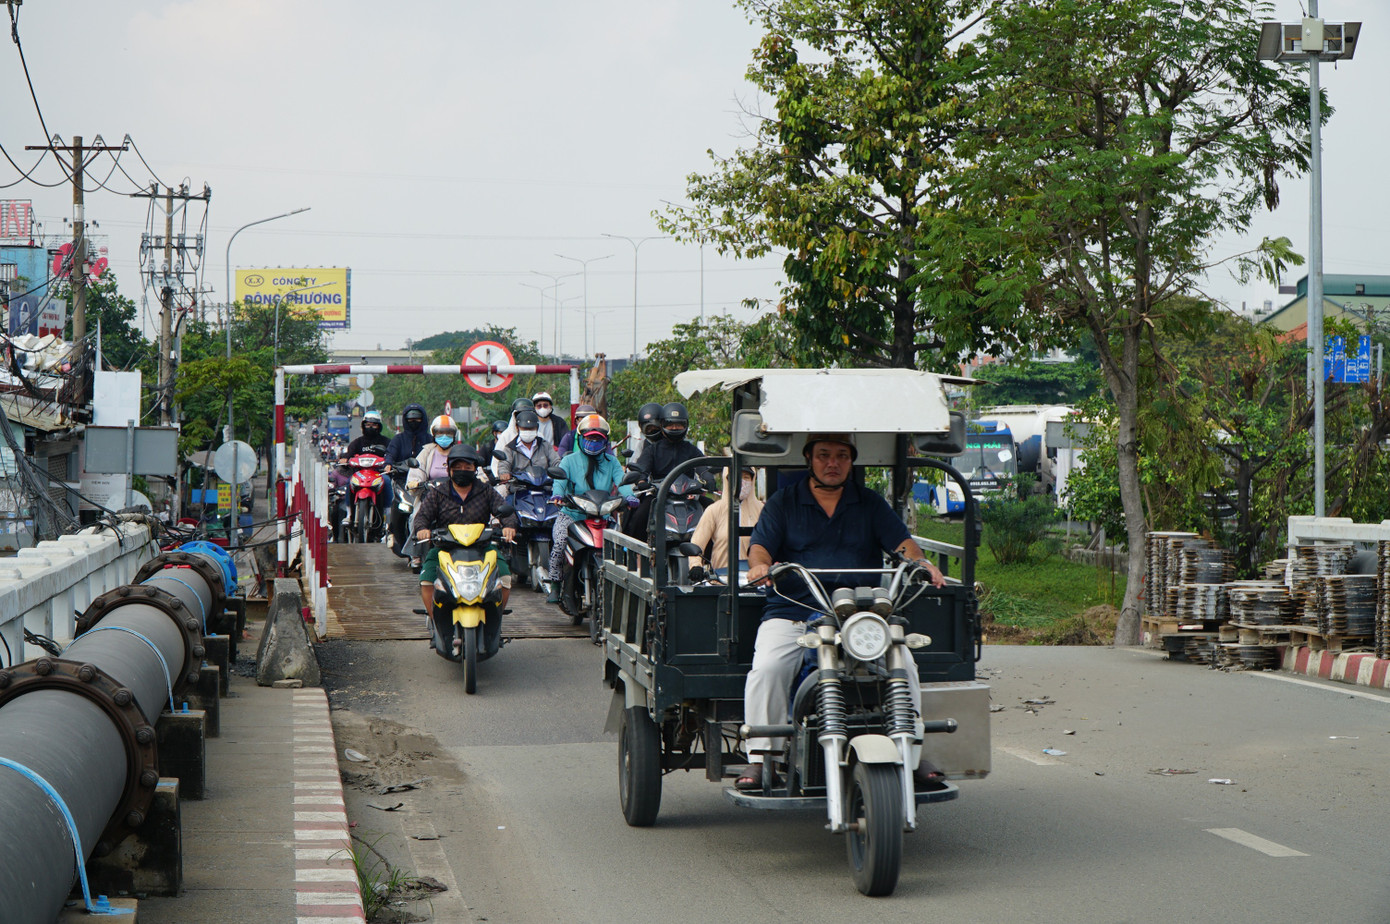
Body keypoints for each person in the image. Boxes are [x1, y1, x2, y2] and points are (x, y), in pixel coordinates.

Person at [738, 432, 945, 791]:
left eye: (841, 456)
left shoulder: (869, 503)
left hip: (858, 615)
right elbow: (760, 547)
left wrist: (920, 562)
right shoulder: (783, 502)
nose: (832, 463)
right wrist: (760, 566)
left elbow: (903, 544)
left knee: (905, 666)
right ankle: (761, 757)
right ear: (808, 459)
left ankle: (910, 749)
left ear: (851, 461)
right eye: (823, 455)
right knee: (768, 668)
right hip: (793, 611)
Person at [414, 444, 520, 650]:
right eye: (458, 467)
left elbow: (506, 512)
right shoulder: (438, 493)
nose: (462, 470)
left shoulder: (485, 491)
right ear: (449, 469)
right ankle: (436, 624)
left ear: (474, 469)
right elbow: (422, 517)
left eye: (467, 467)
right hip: (445, 548)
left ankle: (495, 622)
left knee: (505, 579)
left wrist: (509, 527)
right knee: (426, 581)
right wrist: (422, 529)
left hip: (482, 547)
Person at [546, 414, 636, 604]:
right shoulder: (569, 461)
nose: (593, 443)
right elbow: (560, 481)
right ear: (580, 438)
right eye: (589, 438)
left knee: (621, 547)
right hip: (573, 514)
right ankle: (555, 584)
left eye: (598, 439)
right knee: (560, 543)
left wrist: (629, 496)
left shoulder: (612, 462)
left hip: (603, 516)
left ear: (605, 441)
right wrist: (557, 495)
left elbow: (622, 482)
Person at [626, 402, 707, 542]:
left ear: (686, 425)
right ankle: (637, 554)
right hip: (659, 496)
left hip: (688, 497)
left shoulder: (691, 449)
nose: (674, 427)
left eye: (679, 424)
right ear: (662, 425)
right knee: (639, 516)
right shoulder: (652, 450)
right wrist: (641, 480)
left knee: (714, 509)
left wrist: (709, 478)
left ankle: (711, 553)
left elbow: (703, 466)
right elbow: (642, 467)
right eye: (670, 424)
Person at [687, 464, 763, 580]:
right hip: (722, 579)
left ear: (753, 480)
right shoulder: (714, 510)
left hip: (756, 580)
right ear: (727, 480)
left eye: (746, 477)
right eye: (736, 477)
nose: (741, 482)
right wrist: (696, 565)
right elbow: (697, 543)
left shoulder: (763, 511)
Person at [404, 416, 461, 567]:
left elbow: (475, 470)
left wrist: (480, 479)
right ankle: (416, 554)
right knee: (416, 517)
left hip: (458, 497)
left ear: (454, 434)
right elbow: (416, 472)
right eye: (440, 432)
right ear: (434, 434)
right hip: (431, 497)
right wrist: (415, 482)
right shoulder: (427, 452)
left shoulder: (460, 452)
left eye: (448, 433)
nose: (444, 436)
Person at [342, 409, 393, 523]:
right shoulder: (357, 442)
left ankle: (387, 512)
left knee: (386, 481)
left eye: (374, 425)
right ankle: (349, 513)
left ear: (379, 426)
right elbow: (349, 454)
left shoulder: (386, 442)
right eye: (368, 424)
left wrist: (389, 464)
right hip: (360, 474)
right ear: (363, 426)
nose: (370, 427)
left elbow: (391, 454)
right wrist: (345, 458)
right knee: (349, 481)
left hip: (379, 474)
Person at [494, 408, 560, 492]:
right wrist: (504, 473)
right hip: (518, 488)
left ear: (537, 428)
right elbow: (504, 463)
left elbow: (555, 461)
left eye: (531, 428)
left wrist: (560, 470)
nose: (528, 431)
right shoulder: (510, 448)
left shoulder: (544, 445)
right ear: (517, 428)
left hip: (544, 487)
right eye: (524, 428)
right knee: (500, 492)